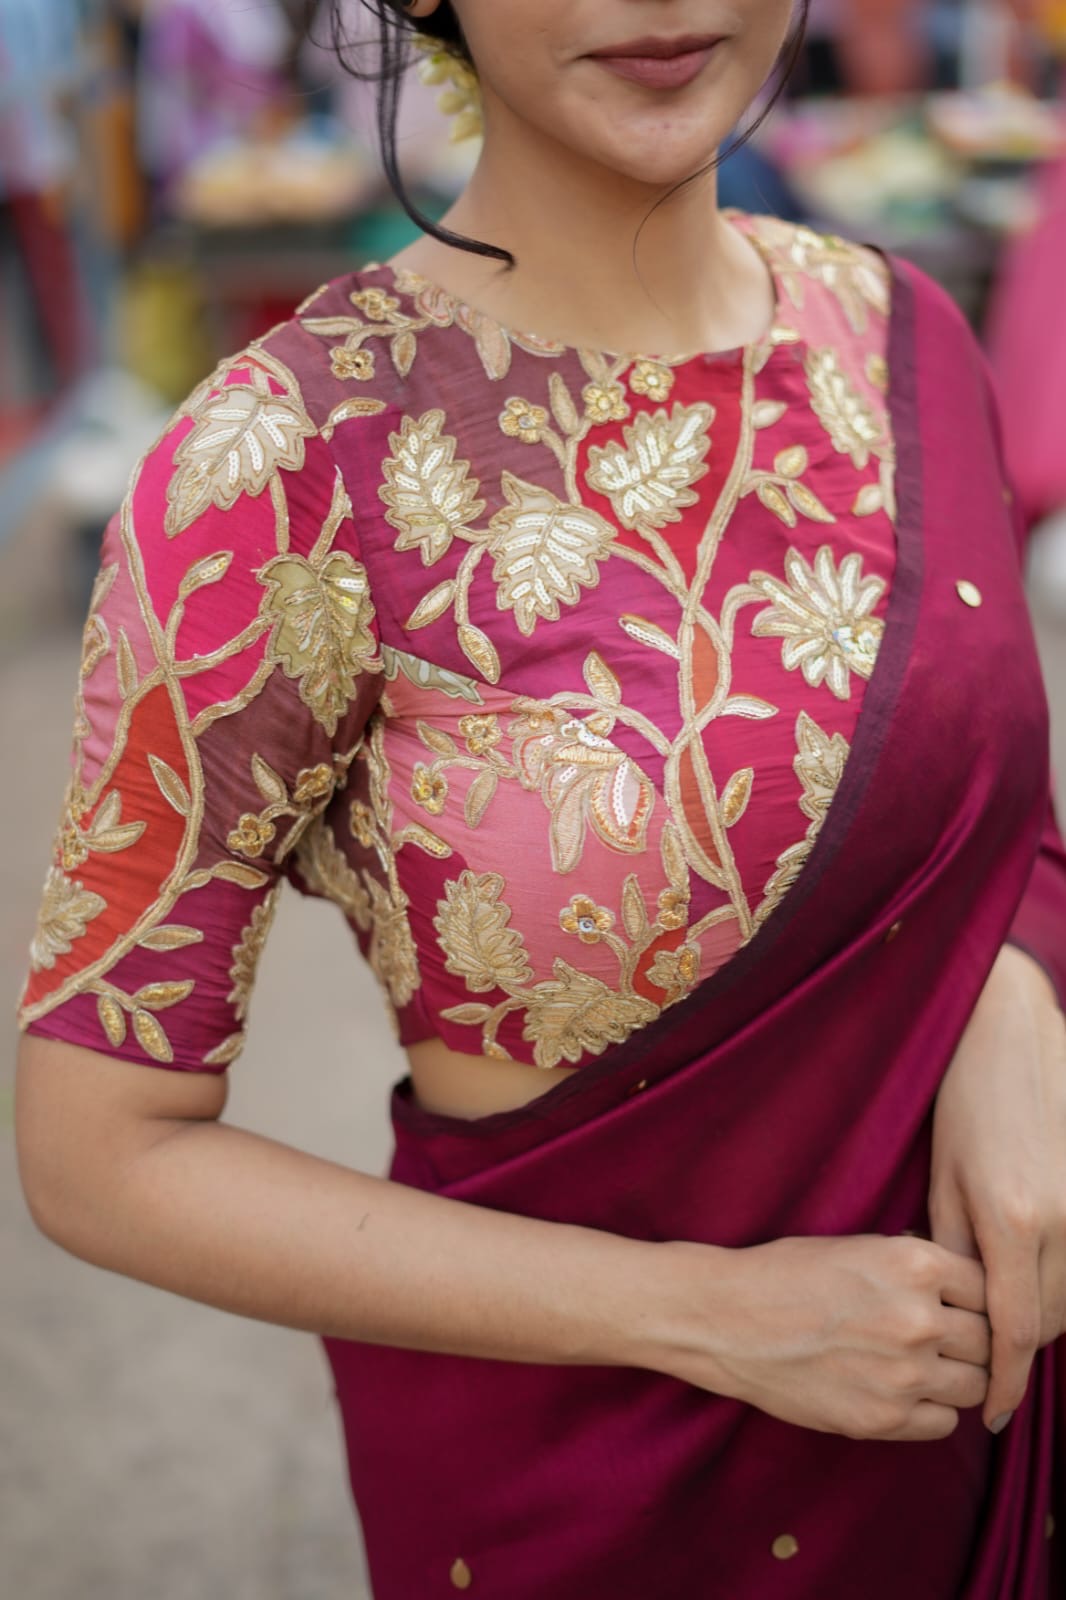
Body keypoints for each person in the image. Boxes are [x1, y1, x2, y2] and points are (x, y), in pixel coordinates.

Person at [13, 2, 1066, 1595]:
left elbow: (995, 823)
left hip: (983, 1407)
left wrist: (1016, 1005)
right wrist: (709, 1318)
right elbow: (103, 1151)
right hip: (589, 1493)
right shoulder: (284, 464)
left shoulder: (898, 329)